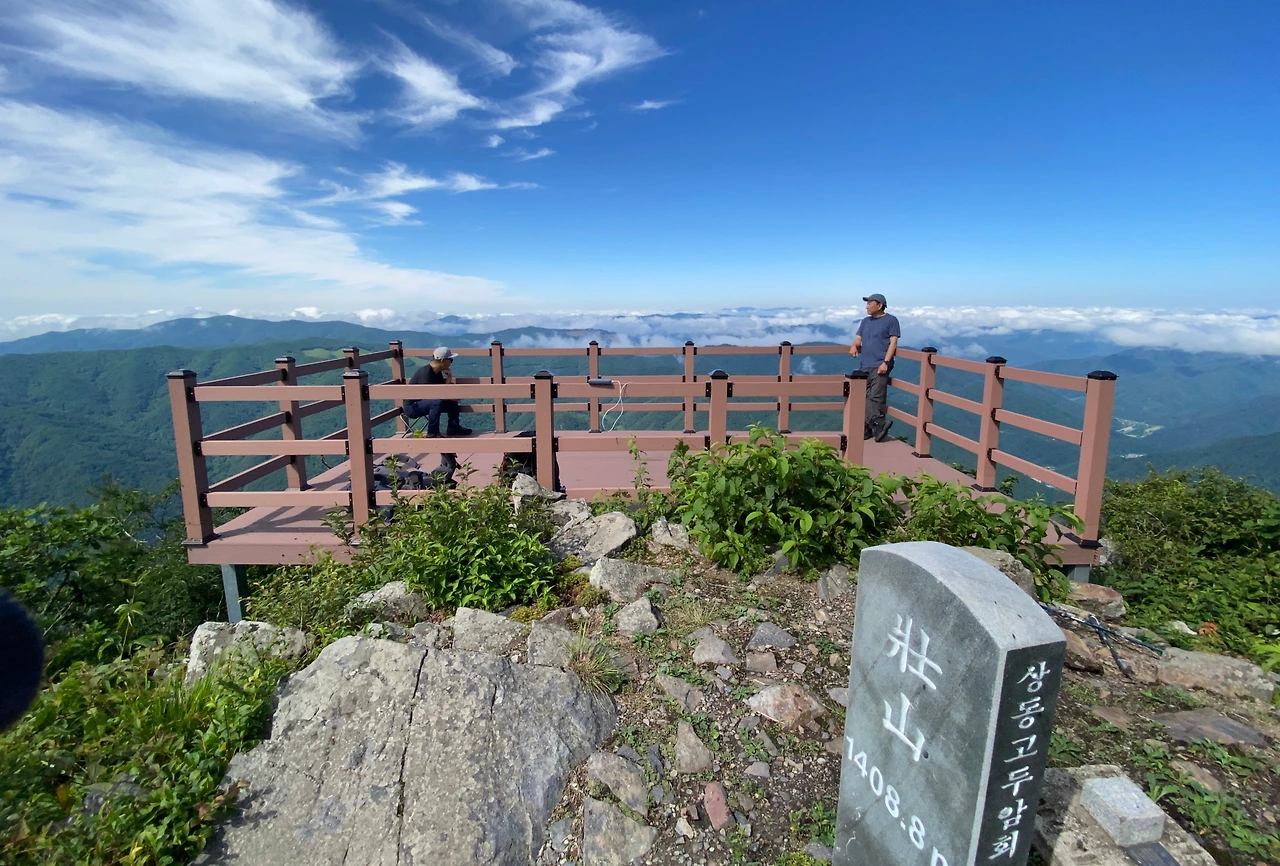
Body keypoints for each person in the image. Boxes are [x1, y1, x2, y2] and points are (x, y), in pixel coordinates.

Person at [849, 293, 901, 442]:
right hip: (865, 363)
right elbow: (858, 338)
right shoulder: (865, 321)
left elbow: (893, 343)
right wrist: (854, 346)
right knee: (858, 394)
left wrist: (886, 362)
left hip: (880, 363)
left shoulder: (891, 320)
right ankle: (878, 424)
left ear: (879, 305)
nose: (866, 306)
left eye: (869, 303)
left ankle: (870, 428)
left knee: (876, 397)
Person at [403, 347, 473, 437]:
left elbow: (443, 391)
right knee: (436, 402)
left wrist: (449, 378)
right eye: (450, 360)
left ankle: (453, 428)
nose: (451, 362)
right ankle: (432, 433)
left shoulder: (437, 372)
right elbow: (428, 397)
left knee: (450, 402)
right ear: (443, 360)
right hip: (413, 407)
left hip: (426, 403)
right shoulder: (425, 373)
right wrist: (449, 397)